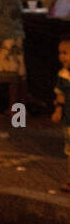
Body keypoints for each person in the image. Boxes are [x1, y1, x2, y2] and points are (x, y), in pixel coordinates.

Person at [52, 38, 70, 192]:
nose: (62, 57)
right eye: (60, 53)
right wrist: (58, 110)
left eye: (66, 53)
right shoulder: (63, 74)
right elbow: (60, 96)